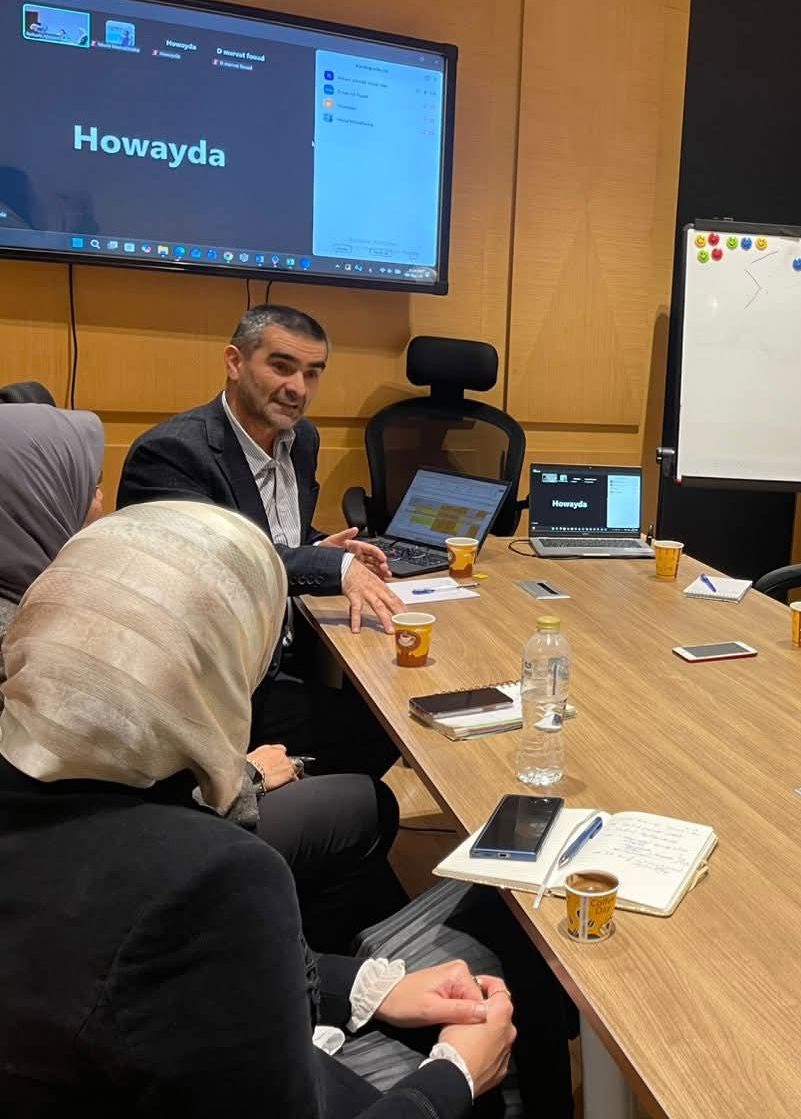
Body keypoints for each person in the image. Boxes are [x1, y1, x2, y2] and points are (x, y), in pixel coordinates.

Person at [0, 500, 575, 1116]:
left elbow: (170, 979)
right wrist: (455, 1077)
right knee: (511, 924)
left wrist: (370, 987)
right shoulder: (210, 876)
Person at [0, 403, 405, 952]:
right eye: (91, 487)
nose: (102, 503)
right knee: (366, 802)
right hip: (121, 866)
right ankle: (306, 960)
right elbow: (123, 782)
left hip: (90, 846)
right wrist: (248, 776)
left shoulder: (37, 588)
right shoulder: (34, 623)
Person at [118, 304, 402, 779]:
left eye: (312, 373)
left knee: (389, 700)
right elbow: (220, 563)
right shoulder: (172, 453)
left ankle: (296, 793)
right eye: (282, 366)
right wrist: (332, 569)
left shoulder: (301, 439)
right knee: (381, 727)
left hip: (285, 653)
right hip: (212, 687)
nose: (298, 388)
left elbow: (276, 537)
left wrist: (321, 549)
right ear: (235, 362)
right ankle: (253, 798)